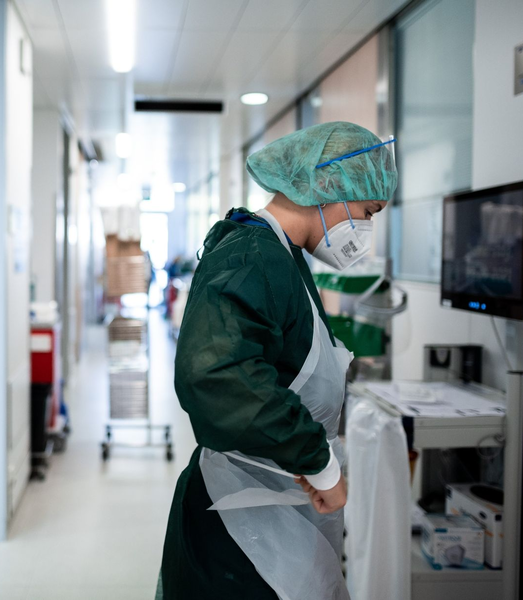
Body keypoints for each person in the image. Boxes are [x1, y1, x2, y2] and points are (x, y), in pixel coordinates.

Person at [158, 121, 397, 600]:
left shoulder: (283, 257)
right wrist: (319, 461)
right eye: (367, 211)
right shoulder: (253, 256)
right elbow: (217, 375)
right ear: (330, 184)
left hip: (270, 503)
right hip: (240, 524)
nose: (365, 229)